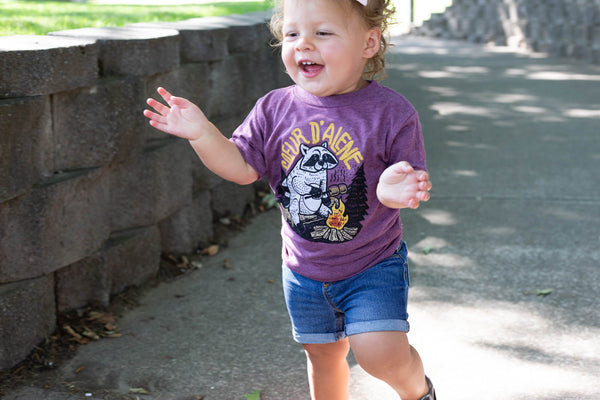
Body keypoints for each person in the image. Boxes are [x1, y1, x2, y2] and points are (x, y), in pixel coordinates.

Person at [144, 0, 435, 398]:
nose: (304, 44)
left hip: (372, 264)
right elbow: (242, 166)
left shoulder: (391, 113)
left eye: (323, 33)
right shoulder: (274, 108)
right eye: (293, 34)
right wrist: (203, 134)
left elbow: (405, 178)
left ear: (369, 43)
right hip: (303, 271)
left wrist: (392, 189)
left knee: (379, 353)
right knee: (323, 356)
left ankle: (417, 390)